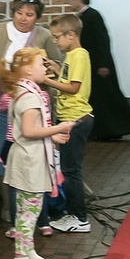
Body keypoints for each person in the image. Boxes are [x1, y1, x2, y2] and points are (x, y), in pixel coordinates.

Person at [0, 0, 61, 223]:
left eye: (29, 15)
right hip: (3, 103)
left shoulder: (43, 36)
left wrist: (47, 74)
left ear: (37, 17)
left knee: (33, 158)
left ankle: (34, 212)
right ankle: (8, 207)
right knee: (2, 156)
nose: (23, 18)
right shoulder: (0, 30)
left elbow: (57, 64)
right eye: (19, 13)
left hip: (32, 103)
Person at [0, 48, 73, 259]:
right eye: (41, 64)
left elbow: (28, 129)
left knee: (26, 209)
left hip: (28, 156)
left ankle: (28, 252)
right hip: (29, 159)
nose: (45, 68)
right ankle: (20, 257)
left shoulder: (23, 91)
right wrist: (58, 127)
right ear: (28, 70)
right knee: (28, 211)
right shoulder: (30, 96)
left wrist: (52, 134)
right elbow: (29, 130)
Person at [43, 14, 94, 233]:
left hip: (76, 119)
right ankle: (73, 213)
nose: (55, 42)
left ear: (70, 35)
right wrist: (56, 69)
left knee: (71, 170)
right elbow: (68, 79)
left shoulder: (79, 55)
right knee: (67, 168)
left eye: (57, 38)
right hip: (69, 118)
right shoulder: (71, 56)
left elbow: (74, 88)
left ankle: (79, 218)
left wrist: (46, 80)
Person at [69, 0, 130, 140]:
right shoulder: (84, 17)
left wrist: (103, 64)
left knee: (108, 98)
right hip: (92, 65)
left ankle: (119, 127)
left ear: (79, 0)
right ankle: (104, 130)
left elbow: (102, 40)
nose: (70, 2)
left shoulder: (93, 16)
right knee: (101, 99)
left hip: (99, 65)